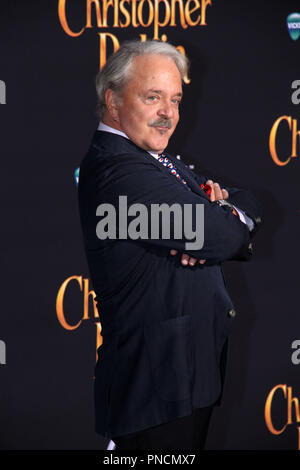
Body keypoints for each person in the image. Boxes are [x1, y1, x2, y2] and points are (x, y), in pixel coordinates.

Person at [78, 39, 263, 450]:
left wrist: (224, 213)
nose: (169, 115)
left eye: (176, 99)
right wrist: (217, 222)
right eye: (153, 97)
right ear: (113, 101)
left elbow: (244, 202)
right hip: (153, 389)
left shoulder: (155, 159)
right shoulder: (120, 172)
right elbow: (223, 235)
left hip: (184, 377)